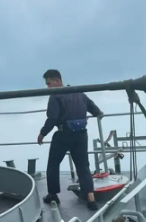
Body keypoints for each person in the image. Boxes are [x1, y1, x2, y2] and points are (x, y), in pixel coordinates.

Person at [37, 69, 104, 211]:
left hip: (64, 134)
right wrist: (98, 114)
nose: (48, 87)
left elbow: (52, 118)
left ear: (56, 81)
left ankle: (53, 195)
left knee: (53, 164)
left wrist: (43, 133)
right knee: (83, 166)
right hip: (81, 134)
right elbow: (95, 109)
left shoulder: (55, 96)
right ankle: (90, 198)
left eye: (49, 83)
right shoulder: (79, 92)